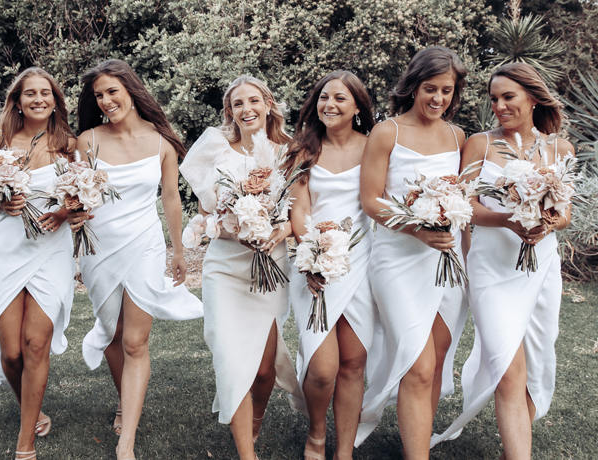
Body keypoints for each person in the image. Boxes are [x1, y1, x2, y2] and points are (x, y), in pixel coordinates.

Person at [430, 62, 574, 460]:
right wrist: (509, 220)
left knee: (536, 365)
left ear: (532, 97)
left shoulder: (559, 148)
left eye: (508, 96)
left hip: (540, 266)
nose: (499, 105)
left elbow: (565, 213)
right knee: (509, 370)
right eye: (494, 98)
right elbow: (466, 206)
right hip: (491, 268)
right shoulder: (480, 143)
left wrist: (545, 223)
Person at [68, 59, 203, 460]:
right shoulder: (87, 140)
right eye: (99, 96)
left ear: (130, 90)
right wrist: (72, 211)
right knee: (111, 333)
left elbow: (171, 198)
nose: (107, 101)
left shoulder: (160, 141)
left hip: (144, 244)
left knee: (134, 339)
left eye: (113, 91)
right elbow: (74, 193)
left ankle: (125, 441)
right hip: (99, 248)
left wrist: (177, 250)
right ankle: (125, 400)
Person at [180, 75, 301, 460]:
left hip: (270, 265)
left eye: (253, 101)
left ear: (268, 104)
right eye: (237, 104)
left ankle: (255, 419)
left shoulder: (290, 152)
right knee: (231, 360)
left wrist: (275, 233)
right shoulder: (218, 149)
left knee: (264, 370)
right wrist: (236, 229)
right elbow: (205, 210)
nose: (246, 110)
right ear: (230, 112)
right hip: (224, 268)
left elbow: (298, 210)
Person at [356, 47, 469, 459]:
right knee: (417, 365)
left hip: (446, 260)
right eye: (430, 89)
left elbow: (465, 200)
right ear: (413, 86)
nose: (438, 98)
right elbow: (371, 200)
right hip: (398, 260)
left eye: (446, 90)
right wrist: (418, 228)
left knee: (436, 363)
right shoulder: (388, 132)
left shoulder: (458, 137)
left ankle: (415, 445)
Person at [0, 67, 76, 460]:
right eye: (30, 93)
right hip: (9, 245)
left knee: (36, 345)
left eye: (46, 93)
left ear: (55, 100)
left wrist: (65, 213)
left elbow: (86, 193)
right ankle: (29, 408)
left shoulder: (69, 142)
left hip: (52, 246)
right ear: (17, 100)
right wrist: (0, 202)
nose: (38, 99)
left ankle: (25, 444)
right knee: (11, 353)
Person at [285, 71, 377, 460]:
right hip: (314, 263)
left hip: (363, 262)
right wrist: (314, 254)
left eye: (340, 98)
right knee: (323, 368)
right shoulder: (304, 149)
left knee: (354, 363)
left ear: (358, 106)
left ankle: (344, 452)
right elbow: (300, 208)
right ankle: (317, 432)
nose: (330, 105)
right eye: (324, 97)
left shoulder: (375, 146)